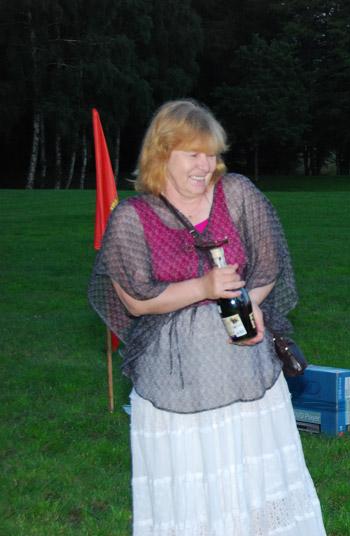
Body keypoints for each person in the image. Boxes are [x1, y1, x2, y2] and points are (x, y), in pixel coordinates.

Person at [88, 100, 326, 535]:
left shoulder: (237, 194)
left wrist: (250, 304)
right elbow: (136, 302)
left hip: (246, 376)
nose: (206, 166)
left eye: (212, 154)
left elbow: (269, 266)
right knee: (194, 496)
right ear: (162, 154)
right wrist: (203, 288)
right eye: (194, 154)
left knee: (258, 486)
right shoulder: (131, 218)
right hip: (174, 389)